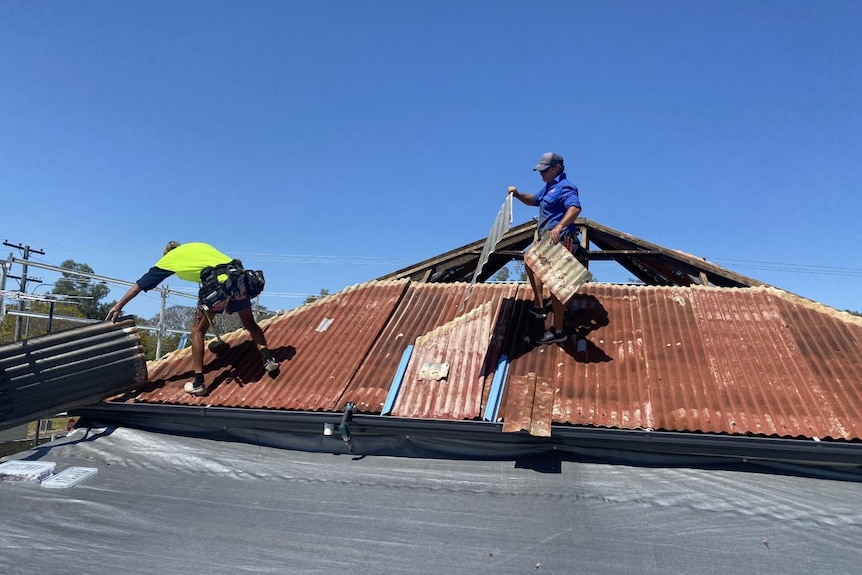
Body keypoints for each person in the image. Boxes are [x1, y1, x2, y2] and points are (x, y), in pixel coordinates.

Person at [106, 241, 278, 396]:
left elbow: (139, 285)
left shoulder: (170, 259)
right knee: (249, 323)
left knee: (197, 331)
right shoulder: (198, 246)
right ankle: (268, 359)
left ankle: (198, 383)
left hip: (218, 284)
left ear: (167, 253)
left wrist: (118, 306)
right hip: (238, 278)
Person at [508, 152, 584, 345]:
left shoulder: (565, 187)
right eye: (540, 171)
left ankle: (558, 331)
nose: (541, 174)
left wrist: (559, 226)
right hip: (546, 240)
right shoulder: (548, 188)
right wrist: (517, 195)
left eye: (545, 170)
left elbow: (574, 208)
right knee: (529, 261)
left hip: (559, 240)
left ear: (557, 168)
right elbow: (533, 199)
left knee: (557, 287)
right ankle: (539, 304)